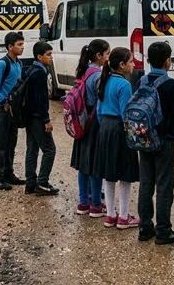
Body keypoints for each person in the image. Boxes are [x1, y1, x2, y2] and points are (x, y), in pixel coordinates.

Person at [137, 42, 174, 245]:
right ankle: (164, 230)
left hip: (143, 138)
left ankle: (145, 227)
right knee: (164, 185)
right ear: (168, 61)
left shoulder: (141, 81)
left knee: (146, 183)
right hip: (164, 140)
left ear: (148, 60)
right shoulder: (170, 84)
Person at [94, 47, 140, 230]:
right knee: (125, 173)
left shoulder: (103, 80)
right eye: (131, 62)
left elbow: (98, 111)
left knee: (109, 173)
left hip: (105, 126)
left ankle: (111, 215)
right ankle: (123, 216)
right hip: (119, 129)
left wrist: (105, 126)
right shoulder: (124, 85)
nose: (133, 65)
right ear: (122, 64)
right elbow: (125, 114)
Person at [71, 39, 110, 217]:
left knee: (83, 165)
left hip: (83, 120)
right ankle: (95, 204)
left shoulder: (85, 71)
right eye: (107, 54)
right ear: (98, 55)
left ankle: (83, 202)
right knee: (96, 165)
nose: (108, 58)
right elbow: (101, 101)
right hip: (94, 122)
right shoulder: (98, 76)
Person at [0, 32, 26, 191]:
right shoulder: (3, 64)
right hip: (3, 109)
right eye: (19, 45)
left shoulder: (19, 63)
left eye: (23, 44)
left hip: (13, 109)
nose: (22, 47)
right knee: (1, 144)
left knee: (11, 142)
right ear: (10, 47)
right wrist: (4, 102)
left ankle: (8, 173)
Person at [24, 42, 59, 196]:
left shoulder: (31, 70)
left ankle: (30, 183)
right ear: (39, 57)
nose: (51, 57)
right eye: (48, 54)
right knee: (50, 150)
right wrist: (46, 120)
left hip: (29, 116)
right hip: (38, 117)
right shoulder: (39, 74)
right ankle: (42, 182)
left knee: (32, 150)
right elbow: (40, 100)